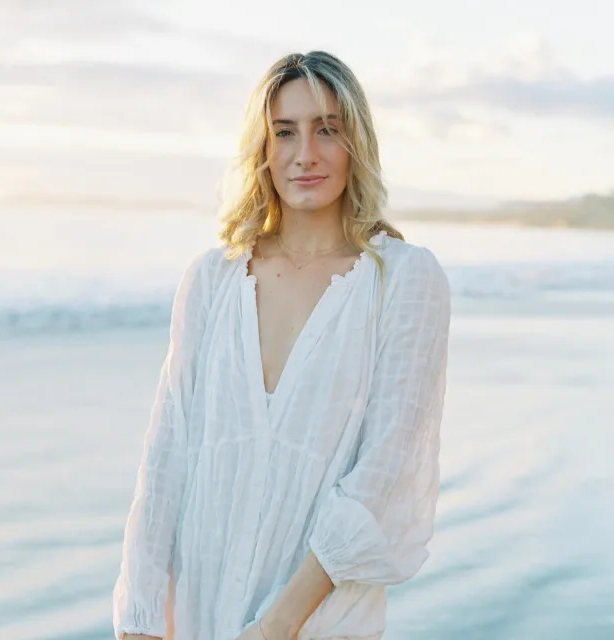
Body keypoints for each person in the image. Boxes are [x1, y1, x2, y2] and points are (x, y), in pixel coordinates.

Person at [112, 50, 451, 640]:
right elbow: (166, 457)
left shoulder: (404, 280)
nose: (305, 154)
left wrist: (277, 624)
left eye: (328, 129)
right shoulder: (212, 279)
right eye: (285, 132)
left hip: (319, 620)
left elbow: (385, 470)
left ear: (357, 143)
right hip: (198, 610)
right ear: (262, 150)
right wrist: (139, 619)